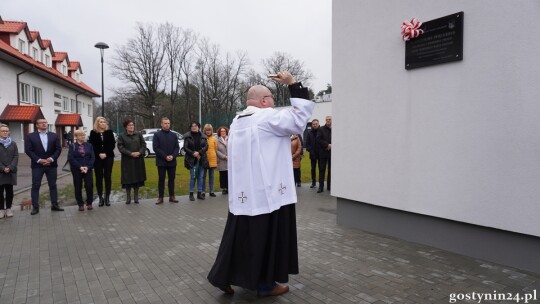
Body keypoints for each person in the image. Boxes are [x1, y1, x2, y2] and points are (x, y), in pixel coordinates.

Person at [207, 71, 314, 296]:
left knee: (237, 237)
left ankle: (222, 276)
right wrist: (293, 85)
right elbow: (299, 119)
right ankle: (265, 285)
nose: (274, 104)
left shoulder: (237, 122)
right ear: (264, 101)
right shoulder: (267, 118)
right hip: (268, 195)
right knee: (265, 239)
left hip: (244, 196)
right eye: (272, 100)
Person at [25, 118, 64, 215]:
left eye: (45, 122)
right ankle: (35, 207)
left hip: (51, 165)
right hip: (37, 165)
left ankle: (54, 205)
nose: (43, 124)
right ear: (37, 125)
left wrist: (51, 159)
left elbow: (58, 149)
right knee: (36, 185)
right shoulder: (30, 136)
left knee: (53, 185)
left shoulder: (54, 135)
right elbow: (28, 150)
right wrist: (39, 160)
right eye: (41, 123)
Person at [117, 119, 146, 204]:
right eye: (129, 125)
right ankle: (128, 197)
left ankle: (136, 196)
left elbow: (143, 145)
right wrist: (130, 153)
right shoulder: (122, 136)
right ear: (126, 127)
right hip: (127, 160)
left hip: (138, 160)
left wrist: (140, 152)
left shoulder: (138, 134)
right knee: (128, 179)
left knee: (137, 177)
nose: (131, 126)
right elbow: (120, 147)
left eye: (132, 125)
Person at [88, 117, 116, 207]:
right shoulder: (93, 133)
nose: (103, 123)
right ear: (97, 123)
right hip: (97, 158)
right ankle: (100, 198)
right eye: (101, 122)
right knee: (99, 177)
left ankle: (107, 197)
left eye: (104, 122)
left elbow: (112, 144)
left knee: (108, 177)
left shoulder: (109, 132)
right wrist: (99, 153)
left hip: (108, 157)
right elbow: (92, 145)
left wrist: (105, 153)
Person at [153, 117, 180, 204]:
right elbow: (156, 148)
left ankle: (172, 196)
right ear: (161, 124)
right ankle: (160, 197)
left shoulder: (173, 135)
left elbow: (177, 148)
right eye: (165, 123)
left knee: (171, 179)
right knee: (161, 179)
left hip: (172, 161)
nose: (167, 125)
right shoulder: (157, 135)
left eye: (168, 123)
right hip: (161, 162)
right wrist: (165, 156)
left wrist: (173, 156)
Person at [68, 129, 95, 211]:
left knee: (89, 186)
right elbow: (71, 158)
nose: (82, 136)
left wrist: (87, 167)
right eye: (80, 135)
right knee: (78, 186)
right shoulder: (72, 146)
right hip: (77, 169)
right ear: (76, 137)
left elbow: (92, 157)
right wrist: (80, 167)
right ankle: (80, 204)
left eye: (83, 135)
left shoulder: (89, 145)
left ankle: (89, 203)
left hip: (88, 169)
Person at [183, 122, 208, 201]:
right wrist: (193, 153)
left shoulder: (203, 137)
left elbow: (206, 146)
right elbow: (185, 147)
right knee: (193, 177)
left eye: (195, 126)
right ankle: (191, 194)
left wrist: (199, 152)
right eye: (192, 126)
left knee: (200, 177)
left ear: (199, 127)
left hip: (201, 159)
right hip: (192, 160)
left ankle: (199, 194)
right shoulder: (188, 137)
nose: (194, 127)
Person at [0, 124, 18, 219]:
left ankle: (8, 208)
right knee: (0, 191)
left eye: (6, 131)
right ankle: (1, 209)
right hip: (0, 171)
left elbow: (16, 156)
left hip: (11, 171)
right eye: (3, 131)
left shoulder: (13, 143)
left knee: (9, 191)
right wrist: (3, 168)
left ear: (9, 132)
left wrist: (10, 167)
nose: (5, 132)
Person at [316, 116, 332, 193]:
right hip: (323, 153)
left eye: (329, 119)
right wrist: (327, 145)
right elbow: (318, 139)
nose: (328, 120)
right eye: (327, 119)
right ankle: (321, 187)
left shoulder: (334, 129)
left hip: (332, 154)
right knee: (322, 170)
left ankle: (329, 186)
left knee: (331, 170)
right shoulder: (321, 129)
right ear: (325, 120)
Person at [203, 124, 217, 198]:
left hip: (212, 159)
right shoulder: (202, 138)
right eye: (207, 130)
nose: (208, 132)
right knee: (203, 176)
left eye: (209, 130)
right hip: (204, 160)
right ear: (204, 130)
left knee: (211, 176)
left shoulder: (214, 138)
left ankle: (211, 191)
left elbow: (215, 148)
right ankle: (203, 191)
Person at [305, 119, 320, 188]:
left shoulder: (321, 131)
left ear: (318, 124)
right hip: (312, 154)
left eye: (316, 124)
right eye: (313, 124)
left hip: (320, 154)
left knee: (321, 169)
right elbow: (307, 144)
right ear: (312, 125)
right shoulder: (309, 133)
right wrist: (310, 151)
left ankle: (321, 182)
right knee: (313, 169)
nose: (315, 125)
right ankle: (313, 182)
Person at [216, 126, 229, 195]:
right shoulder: (217, 141)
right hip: (222, 160)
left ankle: (228, 188)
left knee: (228, 175)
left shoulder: (230, 139)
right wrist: (224, 157)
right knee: (222, 175)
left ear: (226, 132)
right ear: (219, 133)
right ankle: (223, 188)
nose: (223, 132)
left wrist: (229, 156)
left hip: (229, 160)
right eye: (221, 131)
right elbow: (217, 151)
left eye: (224, 131)